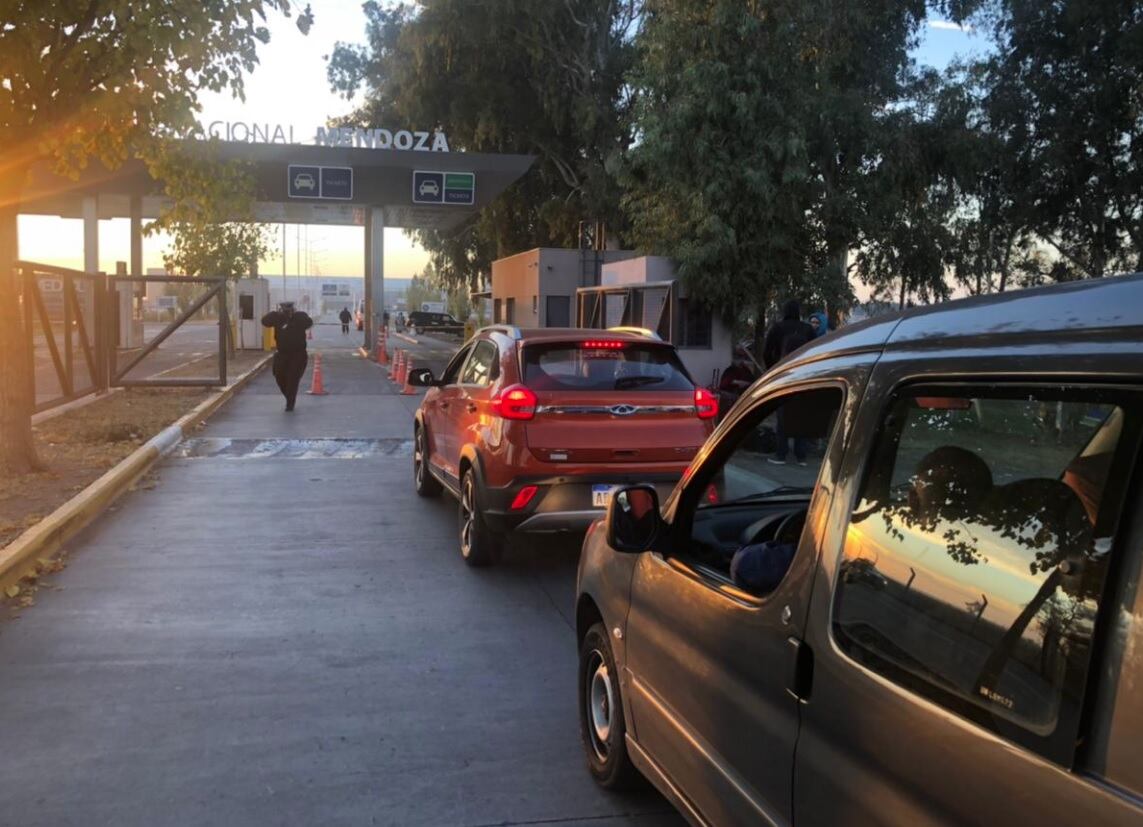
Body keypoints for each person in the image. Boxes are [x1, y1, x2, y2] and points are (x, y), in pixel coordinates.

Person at [261, 301, 313, 412]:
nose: (286, 311)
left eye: (289, 308)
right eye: (284, 308)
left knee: (292, 379)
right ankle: (289, 397)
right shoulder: (277, 318)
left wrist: (295, 316)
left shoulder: (299, 317)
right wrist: (275, 314)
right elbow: (264, 321)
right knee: (279, 377)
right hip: (282, 354)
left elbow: (309, 323)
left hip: (298, 355)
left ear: (293, 308)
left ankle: (290, 403)